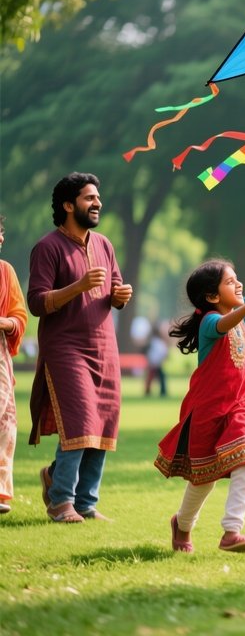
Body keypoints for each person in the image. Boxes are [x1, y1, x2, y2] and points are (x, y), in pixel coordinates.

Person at [155, 233, 245, 553]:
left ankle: (231, 532)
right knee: (204, 477)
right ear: (210, 296)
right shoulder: (210, 321)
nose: (238, 286)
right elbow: (225, 326)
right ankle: (182, 525)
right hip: (209, 408)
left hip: (241, 404)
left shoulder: (239, 312)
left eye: (238, 281)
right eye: (230, 282)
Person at [28, 173, 133, 524]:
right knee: (78, 421)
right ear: (68, 205)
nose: (98, 203)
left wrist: (120, 296)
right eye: (89, 198)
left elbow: (113, 290)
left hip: (104, 346)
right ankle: (61, 501)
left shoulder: (104, 245)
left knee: (103, 423)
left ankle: (85, 501)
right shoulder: (47, 248)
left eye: (97, 198)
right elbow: (38, 303)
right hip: (65, 348)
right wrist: (79, 286)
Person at [0, 217, 29, 515]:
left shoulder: (5, 272)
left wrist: (4, 322)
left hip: (0, 353)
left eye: (1, 233)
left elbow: (19, 316)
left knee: (4, 421)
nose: (1, 239)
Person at [144, 321, 169, 398]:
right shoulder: (159, 342)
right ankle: (162, 391)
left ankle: (149, 391)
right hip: (156, 363)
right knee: (160, 378)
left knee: (151, 378)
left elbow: (151, 353)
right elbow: (163, 352)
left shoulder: (153, 341)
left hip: (154, 362)